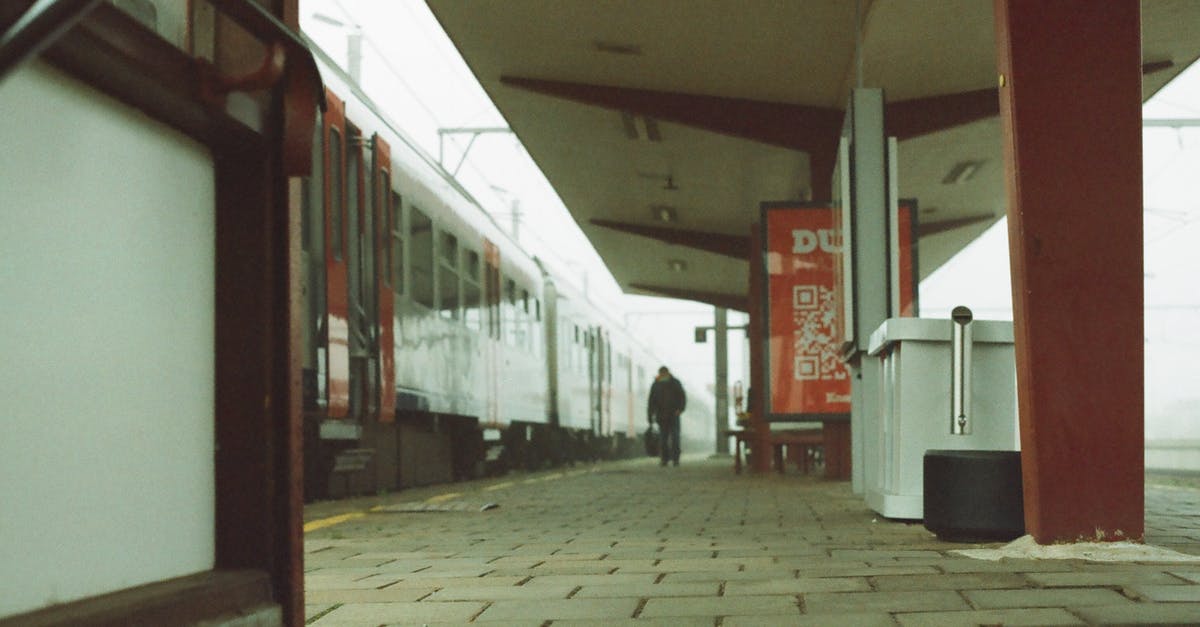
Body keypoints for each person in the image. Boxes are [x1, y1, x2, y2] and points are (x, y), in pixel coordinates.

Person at [648, 366, 686, 466]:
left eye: (664, 374)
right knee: (664, 439)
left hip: (673, 415)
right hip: (662, 416)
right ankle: (665, 459)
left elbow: (682, 397)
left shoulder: (674, 383)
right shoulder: (656, 384)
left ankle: (675, 459)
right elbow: (652, 401)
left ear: (668, 373)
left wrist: (680, 410)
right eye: (661, 374)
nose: (663, 376)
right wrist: (650, 415)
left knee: (674, 438)